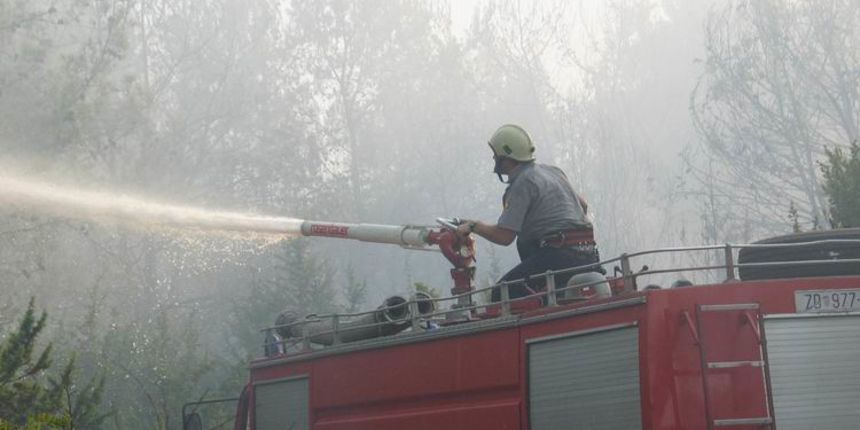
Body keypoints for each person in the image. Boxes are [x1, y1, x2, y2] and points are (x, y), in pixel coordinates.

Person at [456, 124, 603, 301]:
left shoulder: (522, 183)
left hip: (559, 256)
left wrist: (473, 226)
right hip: (588, 255)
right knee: (554, 295)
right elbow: (583, 206)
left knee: (502, 295)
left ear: (506, 157)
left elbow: (505, 236)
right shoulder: (553, 172)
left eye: (496, 154)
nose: (493, 157)